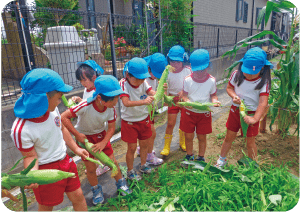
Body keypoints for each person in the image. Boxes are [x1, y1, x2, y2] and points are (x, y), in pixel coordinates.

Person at [10, 68, 89, 211]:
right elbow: (30, 156)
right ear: (43, 98)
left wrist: (76, 148)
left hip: (65, 161)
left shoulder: (53, 110)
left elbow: (62, 129)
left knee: (78, 196)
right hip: (45, 170)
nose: (60, 102)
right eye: (59, 97)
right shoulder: (21, 129)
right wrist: (32, 174)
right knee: (47, 206)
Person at [61, 75, 132, 205]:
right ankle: (96, 189)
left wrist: (104, 142)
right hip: (85, 138)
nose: (116, 102)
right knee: (91, 168)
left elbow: (111, 128)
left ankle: (121, 183)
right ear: (100, 98)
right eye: (113, 100)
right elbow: (64, 117)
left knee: (113, 162)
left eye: (117, 98)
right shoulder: (85, 105)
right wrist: (77, 134)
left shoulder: (111, 108)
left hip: (100, 136)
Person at [215, 47, 272, 168]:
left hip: (252, 114)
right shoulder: (236, 74)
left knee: (250, 141)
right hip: (235, 111)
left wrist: (255, 119)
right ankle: (222, 159)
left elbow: (263, 103)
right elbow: (229, 88)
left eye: (253, 73)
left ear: (262, 68)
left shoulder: (264, 81)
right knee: (229, 136)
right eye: (247, 71)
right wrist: (234, 96)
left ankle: (253, 165)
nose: (249, 75)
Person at [180, 49, 221, 161]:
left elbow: (214, 95)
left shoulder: (211, 81)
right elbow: (184, 95)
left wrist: (215, 101)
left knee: (202, 137)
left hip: (204, 114)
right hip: (189, 112)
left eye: (203, 70)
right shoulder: (187, 80)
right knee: (188, 136)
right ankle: (189, 155)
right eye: (197, 71)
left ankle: (201, 157)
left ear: (208, 67)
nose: (200, 73)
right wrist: (186, 101)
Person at [119, 57, 156, 180]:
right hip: (129, 122)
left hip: (143, 119)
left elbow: (151, 92)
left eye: (142, 79)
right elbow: (126, 102)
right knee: (132, 148)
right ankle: (130, 171)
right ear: (129, 75)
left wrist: (161, 93)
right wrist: (144, 102)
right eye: (138, 79)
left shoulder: (143, 82)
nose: (140, 82)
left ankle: (143, 165)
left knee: (144, 144)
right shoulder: (123, 84)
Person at [71, 60, 110, 176]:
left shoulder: (96, 92)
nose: (82, 83)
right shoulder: (87, 89)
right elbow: (85, 103)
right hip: (86, 125)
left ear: (93, 78)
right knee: (90, 150)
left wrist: (78, 104)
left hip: (94, 126)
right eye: (80, 80)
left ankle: (103, 165)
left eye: (84, 80)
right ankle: (96, 165)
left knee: (97, 150)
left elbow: (89, 105)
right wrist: (79, 100)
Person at [135, 53, 168, 165]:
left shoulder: (153, 78)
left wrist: (161, 90)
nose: (156, 76)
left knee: (147, 134)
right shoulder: (142, 79)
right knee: (151, 134)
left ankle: (142, 149)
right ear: (149, 68)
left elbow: (155, 93)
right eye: (154, 74)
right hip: (142, 111)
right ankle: (149, 156)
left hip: (149, 110)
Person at [160, 45, 192, 156]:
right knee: (170, 123)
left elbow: (191, 84)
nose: (175, 64)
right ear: (169, 60)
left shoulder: (188, 71)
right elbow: (163, 86)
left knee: (183, 123)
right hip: (172, 100)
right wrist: (165, 97)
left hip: (183, 100)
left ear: (183, 60)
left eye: (178, 62)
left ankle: (182, 142)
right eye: (172, 61)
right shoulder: (167, 71)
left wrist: (184, 92)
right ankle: (166, 146)